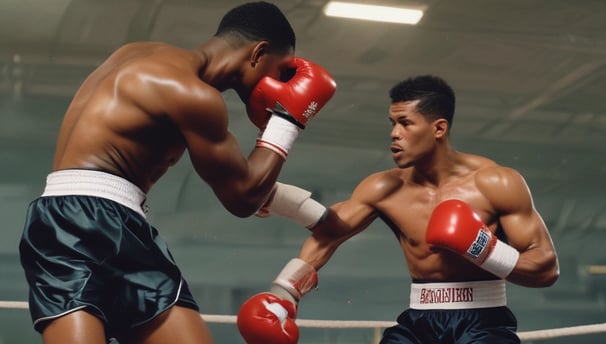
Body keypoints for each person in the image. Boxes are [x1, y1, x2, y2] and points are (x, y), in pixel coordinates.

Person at [18, 2, 336, 344]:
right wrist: (288, 119)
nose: (281, 84)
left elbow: (241, 183)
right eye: (281, 72)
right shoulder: (191, 94)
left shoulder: (139, 55)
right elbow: (243, 197)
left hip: (114, 222)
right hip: (77, 224)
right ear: (259, 52)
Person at [237, 75, 560, 344]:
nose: (394, 133)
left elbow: (545, 268)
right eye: (392, 123)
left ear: (438, 128)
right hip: (418, 322)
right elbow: (330, 233)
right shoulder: (383, 187)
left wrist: (483, 249)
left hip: (483, 323)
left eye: (405, 123)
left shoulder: (496, 182)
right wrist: (283, 294)